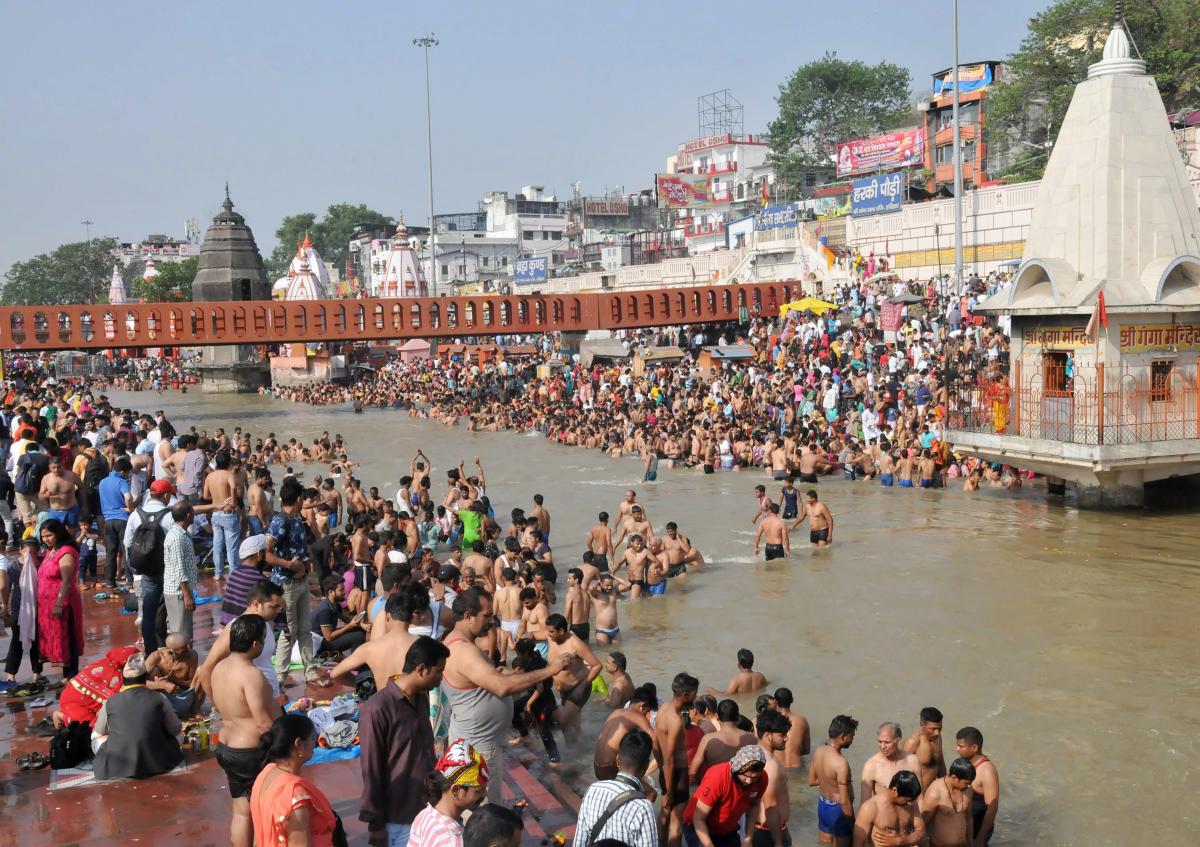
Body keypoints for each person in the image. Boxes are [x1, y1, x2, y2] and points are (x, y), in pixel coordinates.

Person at [442, 586, 570, 804]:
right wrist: (550, 670)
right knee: (485, 812)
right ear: (468, 616)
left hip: (478, 742)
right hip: (479, 747)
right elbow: (501, 687)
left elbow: (490, 683)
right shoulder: (463, 650)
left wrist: (499, 673)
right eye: (487, 616)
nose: (492, 621)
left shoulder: (463, 644)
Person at [359, 636, 449, 847]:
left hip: (424, 809)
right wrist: (376, 824)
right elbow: (371, 770)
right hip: (397, 819)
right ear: (421, 669)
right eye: (439, 671)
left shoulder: (420, 699)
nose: (442, 678)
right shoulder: (378, 709)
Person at [210, 614, 282, 847]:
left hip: (226, 745)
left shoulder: (219, 667)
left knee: (241, 811)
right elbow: (263, 723)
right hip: (250, 751)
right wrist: (285, 742)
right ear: (255, 645)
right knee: (267, 805)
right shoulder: (252, 674)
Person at [268, 479, 327, 689]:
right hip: (286, 584)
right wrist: (288, 564)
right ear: (299, 499)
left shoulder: (296, 519)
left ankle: (310, 670)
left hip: (301, 583)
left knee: (304, 629)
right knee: (288, 631)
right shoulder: (280, 521)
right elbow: (265, 553)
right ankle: (280, 676)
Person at [251, 714, 339, 847]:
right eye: (312, 739)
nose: (315, 745)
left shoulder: (267, 772)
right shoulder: (294, 795)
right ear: (299, 744)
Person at [93, 653, 184, 780]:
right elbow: (175, 729)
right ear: (145, 678)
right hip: (156, 760)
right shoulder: (159, 698)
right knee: (180, 735)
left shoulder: (110, 702)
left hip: (119, 762)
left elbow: (100, 731)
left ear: (123, 680)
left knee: (95, 737)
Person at [201, 577, 286, 707]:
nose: (278, 610)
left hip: (271, 700)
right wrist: (218, 705)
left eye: (279, 606)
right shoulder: (236, 629)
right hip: (251, 706)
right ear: (256, 604)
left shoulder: (265, 624)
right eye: (273, 606)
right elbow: (206, 669)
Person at [575, 729, 658, 847]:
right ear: (646, 766)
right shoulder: (643, 808)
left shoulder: (593, 790)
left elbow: (579, 842)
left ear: (618, 759)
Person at [123, 478, 177, 654]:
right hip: (167, 569)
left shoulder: (135, 514)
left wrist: (135, 568)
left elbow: (127, 543)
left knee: (148, 610)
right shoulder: (170, 516)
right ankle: (165, 648)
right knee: (168, 611)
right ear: (166, 494)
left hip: (146, 571)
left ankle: (151, 650)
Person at [408, 739, 490, 847]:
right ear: (455, 791)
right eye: (478, 791)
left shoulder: (425, 815)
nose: (485, 795)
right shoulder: (453, 842)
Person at [683, 745, 769, 847]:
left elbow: (754, 806)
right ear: (737, 768)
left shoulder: (762, 779)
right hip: (697, 825)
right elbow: (698, 818)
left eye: (755, 777)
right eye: (746, 776)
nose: (749, 781)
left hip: (727, 829)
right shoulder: (717, 777)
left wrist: (748, 839)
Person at [655, 672, 698, 847]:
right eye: (695, 693)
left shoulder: (663, 707)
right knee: (676, 826)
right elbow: (671, 757)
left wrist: (660, 767)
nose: (697, 696)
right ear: (685, 695)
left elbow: (655, 743)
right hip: (676, 774)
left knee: (664, 817)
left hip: (665, 771)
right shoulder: (676, 720)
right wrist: (671, 790)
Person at [36, 518, 83, 679]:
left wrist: (58, 604)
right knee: (57, 638)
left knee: (67, 637)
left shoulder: (66, 551)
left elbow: (66, 581)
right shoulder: (51, 551)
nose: (46, 539)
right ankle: (66, 676)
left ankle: (71, 677)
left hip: (63, 602)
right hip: (47, 604)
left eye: (49, 535)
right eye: (43, 537)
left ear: (58, 533)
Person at [544, 612, 602, 742]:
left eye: (551, 632)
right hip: (564, 690)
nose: (548, 634)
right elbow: (536, 634)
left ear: (561, 631)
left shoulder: (576, 644)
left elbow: (597, 665)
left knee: (563, 721)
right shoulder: (551, 638)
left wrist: (583, 686)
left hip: (579, 687)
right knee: (572, 725)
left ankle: (573, 751)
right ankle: (580, 749)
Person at [808, 714, 857, 846]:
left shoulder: (818, 751)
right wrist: (854, 828)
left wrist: (828, 781)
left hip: (823, 807)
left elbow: (811, 781)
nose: (852, 740)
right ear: (843, 737)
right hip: (838, 811)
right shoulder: (841, 763)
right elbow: (844, 801)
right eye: (851, 736)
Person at [593, 685, 656, 780]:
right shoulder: (637, 717)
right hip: (610, 770)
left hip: (597, 767)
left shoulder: (615, 713)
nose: (647, 714)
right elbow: (656, 740)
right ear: (642, 706)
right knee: (651, 793)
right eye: (647, 711)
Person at [689, 699, 758, 783]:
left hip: (718, 786)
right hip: (743, 786)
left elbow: (693, 771)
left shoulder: (708, 739)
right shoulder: (751, 738)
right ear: (738, 716)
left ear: (717, 716)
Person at [852, 770, 925, 847]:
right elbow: (859, 843)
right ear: (895, 790)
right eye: (907, 800)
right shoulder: (870, 808)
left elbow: (922, 832)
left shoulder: (912, 803)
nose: (909, 803)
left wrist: (902, 841)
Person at [752, 710, 792, 847]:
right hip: (770, 833)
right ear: (768, 736)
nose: (787, 738)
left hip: (759, 829)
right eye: (782, 735)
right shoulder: (770, 765)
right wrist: (778, 842)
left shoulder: (754, 753)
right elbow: (770, 806)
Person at [954, 727, 999, 846]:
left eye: (961, 746)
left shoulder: (987, 771)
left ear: (974, 748)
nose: (957, 749)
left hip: (977, 829)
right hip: (963, 827)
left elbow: (992, 808)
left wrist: (980, 838)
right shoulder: (964, 764)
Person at [202, 449, 243, 581]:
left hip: (215, 514)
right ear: (228, 463)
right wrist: (232, 501)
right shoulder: (228, 475)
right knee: (231, 547)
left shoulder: (210, 476)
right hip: (228, 513)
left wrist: (217, 498)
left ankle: (218, 574)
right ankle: (234, 575)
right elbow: (234, 490)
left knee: (217, 545)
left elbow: (205, 496)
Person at [162, 500, 198, 641]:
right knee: (181, 636)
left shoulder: (180, 534)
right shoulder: (178, 538)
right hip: (178, 593)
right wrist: (187, 594)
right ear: (188, 515)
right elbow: (179, 569)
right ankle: (181, 662)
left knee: (183, 631)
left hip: (179, 591)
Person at [919, 758, 976, 847]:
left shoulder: (968, 790)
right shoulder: (935, 792)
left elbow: (969, 817)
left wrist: (971, 843)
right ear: (954, 778)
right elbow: (923, 823)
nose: (969, 786)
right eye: (966, 783)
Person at [861, 722, 921, 802]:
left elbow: (920, 798)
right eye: (879, 741)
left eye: (887, 742)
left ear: (898, 741)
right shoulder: (871, 766)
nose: (882, 746)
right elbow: (865, 802)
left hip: (908, 813)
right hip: (884, 813)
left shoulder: (912, 760)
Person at [98, 456, 134, 589]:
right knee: (126, 551)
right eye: (128, 473)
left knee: (111, 552)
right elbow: (128, 497)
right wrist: (129, 508)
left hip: (108, 520)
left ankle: (110, 581)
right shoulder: (121, 482)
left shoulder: (102, 482)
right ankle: (130, 581)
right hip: (122, 519)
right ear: (123, 472)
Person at [145, 632, 199, 717]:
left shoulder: (192, 655)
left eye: (187, 647)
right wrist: (161, 685)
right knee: (153, 672)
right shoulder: (156, 656)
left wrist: (171, 680)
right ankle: (160, 712)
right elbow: (138, 683)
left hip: (185, 696)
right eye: (184, 651)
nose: (188, 651)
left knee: (201, 671)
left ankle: (196, 709)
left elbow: (192, 682)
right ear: (171, 652)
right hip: (163, 698)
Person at [312, 575, 369, 656]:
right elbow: (328, 637)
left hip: (328, 639)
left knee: (359, 629)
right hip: (320, 645)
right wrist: (349, 626)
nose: (344, 593)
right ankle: (356, 664)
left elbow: (348, 619)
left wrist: (362, 624)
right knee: (358, 637)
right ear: (330, 592)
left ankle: (360, 659)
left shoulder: (335, 605)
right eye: (341, 590)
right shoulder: (325, 610)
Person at [902, 706, 946, 790]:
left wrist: (946, 788)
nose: (937, 733)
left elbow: (941, 765)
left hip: (932, 794)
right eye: (933, 729)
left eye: (939, 729)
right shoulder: (913, 742)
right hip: (915, 796)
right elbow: (901, 771)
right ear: (922, 724)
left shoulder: (938, 738)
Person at [772, 687, 810, 769]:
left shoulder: (771, 721)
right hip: (797, 767)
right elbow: (806, 750)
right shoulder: (802, 720)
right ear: (792, 700)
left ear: (775, 701)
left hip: (778, 769)